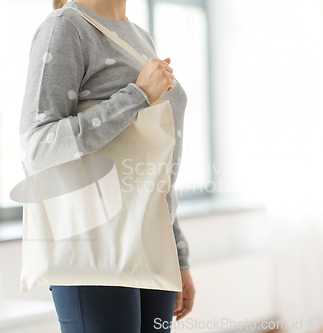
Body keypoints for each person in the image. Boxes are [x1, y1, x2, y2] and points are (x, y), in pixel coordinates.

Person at [19, 0, 196, 331]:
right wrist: (138, 95)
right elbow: (38, 146)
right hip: (94, 243)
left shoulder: (139, 36)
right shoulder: (65, 28)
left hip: (148, 242)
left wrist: (177, 253)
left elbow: (152, 166)